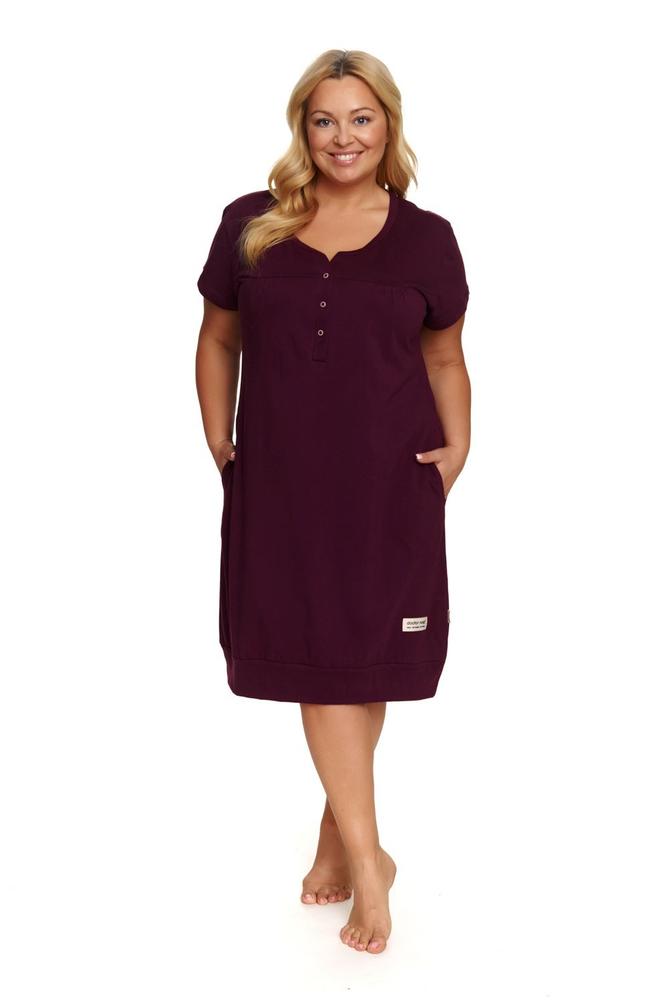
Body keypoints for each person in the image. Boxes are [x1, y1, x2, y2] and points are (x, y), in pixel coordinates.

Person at [195, 49, 471, 955]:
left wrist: (457, 447)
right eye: (323, 119)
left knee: (358, 656)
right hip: (281, 481)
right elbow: (218, 337)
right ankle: (366, 852)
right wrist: (219, 437)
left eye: (360, 118)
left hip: (388, 480)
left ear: (387, 125)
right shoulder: (251, 224)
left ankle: (351, 849)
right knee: (320, 654)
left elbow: (443, 356)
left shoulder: (427, 237)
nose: (342, 137)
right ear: (301, 128)